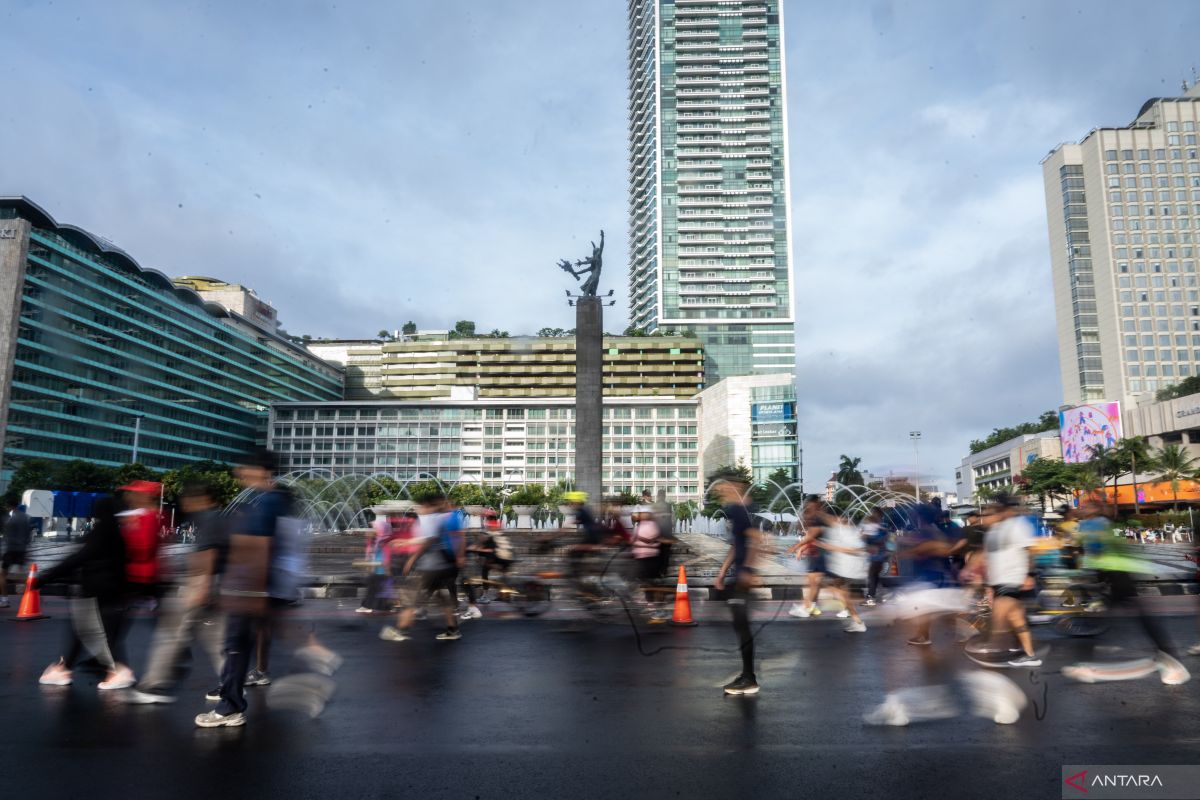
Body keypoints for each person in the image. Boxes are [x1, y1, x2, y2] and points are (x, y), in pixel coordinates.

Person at [195, 449, 292, 728]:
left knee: (235, 647)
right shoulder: (270, 499)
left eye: (246, 466)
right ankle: (231, 699)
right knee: (238, 646)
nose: (240, 471)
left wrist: (247, 591)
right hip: (257, 586)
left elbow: (259, 547)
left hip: (251, 587)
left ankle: (230, 707)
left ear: (262, 470)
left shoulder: (266, 502)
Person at [1061, 498, 1190, 685]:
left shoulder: (1100, 523)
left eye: (1087, 506)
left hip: (1117, 573)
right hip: (1107, 573)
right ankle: (1168, 654)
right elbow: (1079, 544)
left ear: (1095, 509)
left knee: (1110, 616)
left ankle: (1169, 656)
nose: (1083, 509)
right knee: (1118, 616)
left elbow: (1097, 546)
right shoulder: (1086, 524)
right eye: (1082, 507)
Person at [125, 480, 229, 704]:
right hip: (211, 582)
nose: (186, 506)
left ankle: (153, 686)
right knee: (215, 639)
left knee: (170, 634)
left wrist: (200, 587)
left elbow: (208, 552)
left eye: (188, 502)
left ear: (199, 499)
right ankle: (231, 683)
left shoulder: (208, 518)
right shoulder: (216, 517)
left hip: (199, 582)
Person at [36, 496, 136, 690]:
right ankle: (65, 668)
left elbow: (76, 559)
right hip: (110, 590)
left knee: (92, 631)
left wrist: (44, 578)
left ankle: (118, 670)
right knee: (86, 631)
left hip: (94, 591)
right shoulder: (117, 533)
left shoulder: (100, 533)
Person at [379, 489, 465, 643]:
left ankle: (400, 630)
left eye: (419, 506)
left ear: (426, 505)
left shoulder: (428, 518)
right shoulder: (442, 517)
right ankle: (453, 629)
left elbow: (428, 540)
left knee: (409, 596)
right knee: (442, 597)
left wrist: (411, 558)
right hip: (444, 566)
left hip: (429, 567)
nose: (417, 508)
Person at [712, 472, 762, 695]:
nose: (719, 491)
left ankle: (749, 678)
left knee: (742, 627)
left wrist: (748, 571)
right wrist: (722, 573)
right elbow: (737, 544)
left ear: (734, 487)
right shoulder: (741, 510)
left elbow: (756, 540)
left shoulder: (739, 509)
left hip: (743, 576)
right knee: (740, 625)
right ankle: (747, 675)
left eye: (722, 487)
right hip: (738, 575)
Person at [983, 495, 1041, 667]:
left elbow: (1029, 549)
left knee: (998, 616)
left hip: (1012, 578)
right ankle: (1030, 655)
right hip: (998, 581)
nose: (984, 517)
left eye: (988, 514)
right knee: (1016, 619)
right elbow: (990, 559)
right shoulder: (992, 532)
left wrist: (1029, 574)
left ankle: (992, 648)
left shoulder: (1017, 526)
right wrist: (989, 585)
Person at [117, 480, 164, 603]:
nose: (128, 496)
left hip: (142, 574)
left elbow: (144, 547)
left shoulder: (149, 516)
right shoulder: (137, 515)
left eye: (132, 493)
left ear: (143, 497)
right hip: (135, 573)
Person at [787, 496, 829, 618]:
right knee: (813, 583)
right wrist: (802, 548)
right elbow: (813, 539)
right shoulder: (817, 518)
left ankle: (806, 608)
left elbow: (812, 537)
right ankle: (811, 606)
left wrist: (796, 547)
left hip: (819, 555)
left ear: (816, 505)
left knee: (814, 583)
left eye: (811, 506)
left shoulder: (818, 519)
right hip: (815, 554)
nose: (808, 508)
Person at [0, 503, 32, 608]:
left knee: (2, 575)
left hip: (10, 550)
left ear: (9, 506)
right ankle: (30, 596)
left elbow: (6, 535)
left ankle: (4, 600)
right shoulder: (25, 517)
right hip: (22, 550)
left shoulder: (9, 518)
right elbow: (28, 536)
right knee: (22, 575)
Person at [861, 507, 890, 606]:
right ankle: (880, 596)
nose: (872, 515)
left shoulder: (881, 527)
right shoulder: (878, 527)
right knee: (875, 576)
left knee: (871, 576)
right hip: (876, 555)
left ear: (878, 515)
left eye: (874, 513)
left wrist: (869, 540)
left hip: (878, 555)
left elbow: (884, 540)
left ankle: (871, 597)